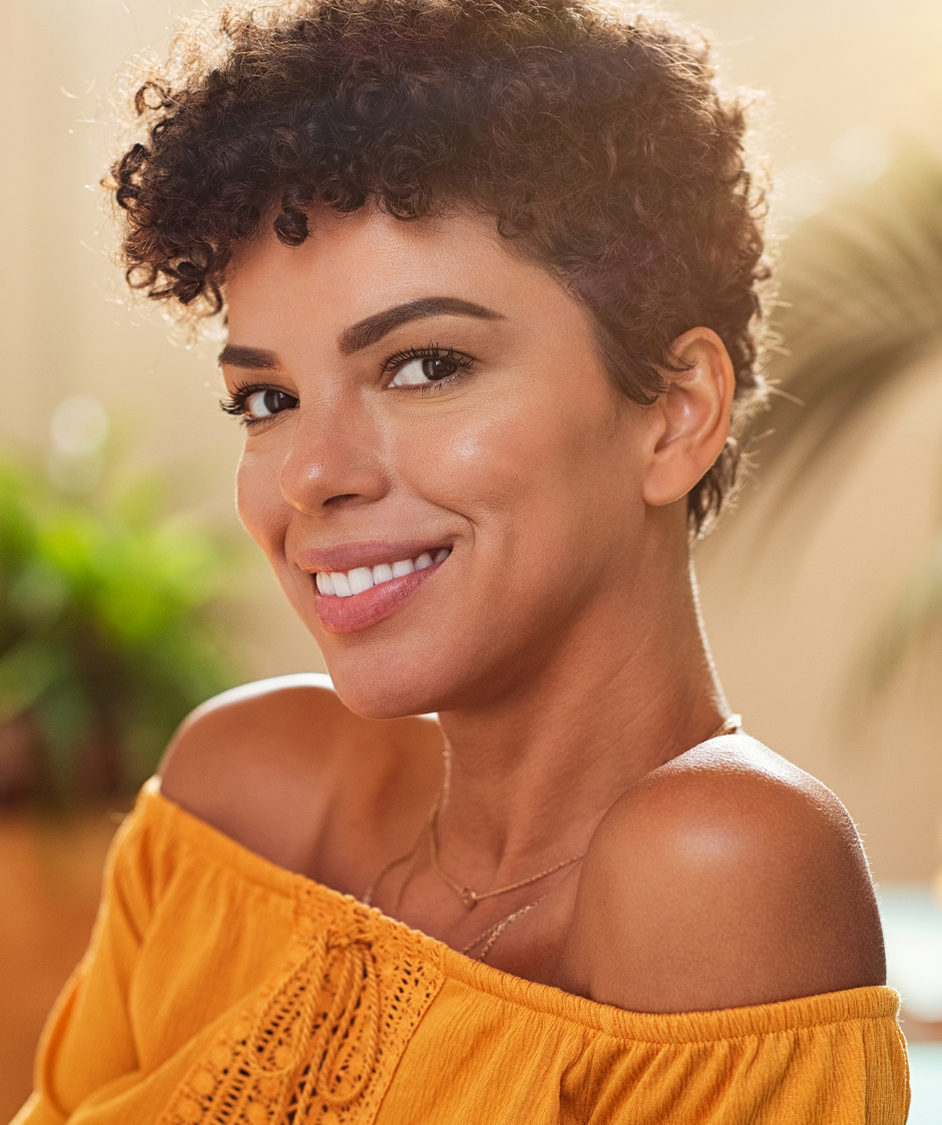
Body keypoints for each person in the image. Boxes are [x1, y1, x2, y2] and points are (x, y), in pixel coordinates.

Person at [14, 0, 908, 1121]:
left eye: (425, 366)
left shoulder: (718, 860)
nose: (311, 474)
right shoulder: (236, 797)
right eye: (268, 398)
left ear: (676, 412)